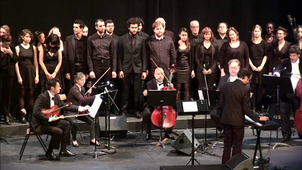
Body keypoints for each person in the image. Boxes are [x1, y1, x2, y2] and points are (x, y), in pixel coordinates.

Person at [219, 69, 269, 164]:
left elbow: (221, 103)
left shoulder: (226, 86)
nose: (248, 82)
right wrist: (258, 118)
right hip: (237, 121)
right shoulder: (245, 89)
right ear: (245, 77)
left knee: (227, 144)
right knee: (237, 144)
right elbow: (246, 109)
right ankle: (235, 165)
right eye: (249, 79)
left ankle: (224, 165)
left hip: (226, 119)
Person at [31, 78, 89, 160]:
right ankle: (49, 152)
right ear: (52, 88)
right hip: (40, 124)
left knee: (66, 124)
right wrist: (50, 119)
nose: (60, 88)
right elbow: (36, 113)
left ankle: (63, 150)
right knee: (58, 131)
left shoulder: (57, 97)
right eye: (58, 86)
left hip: (50, 122)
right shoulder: (42, 97)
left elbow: (66, 106)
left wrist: (80, 108)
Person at [118, 17, 147, 117]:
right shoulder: (122, 39)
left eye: (136, 27)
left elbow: (144, 55)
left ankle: (136, 110)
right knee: (125, 90)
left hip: (138, 68)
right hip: (126, 67)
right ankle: (123, 110)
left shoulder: (142, 39)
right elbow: (119, 56)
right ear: (128, 28)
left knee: (137, 91)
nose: (134, 29)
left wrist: (144, 70)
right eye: (132, 27)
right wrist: (120, 69)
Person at [273, 45, 301, 141]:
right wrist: (276, 73)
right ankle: (286, 135)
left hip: (298, 93)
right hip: (285, 91)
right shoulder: (285, 62)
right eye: (290, 55)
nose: (292, 58)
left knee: (298, 114)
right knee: (284, 114)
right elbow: (277, 69)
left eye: (294, 56)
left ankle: (300, 132)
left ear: (298, 55)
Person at [65, 72, 99, 147]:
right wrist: (95, 97)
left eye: (84, 80)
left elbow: (83, 101)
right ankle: (74, 140)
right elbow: (83, 100)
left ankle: (93, 139)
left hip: (78, 110)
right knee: (74, 123)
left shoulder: (82, 88)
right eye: (81, 80)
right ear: (77, 80)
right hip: (70, 111)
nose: (83, 82)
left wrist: (89, 95)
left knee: (90, 120)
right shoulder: (74, 89)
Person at [141, 67, 174, 141]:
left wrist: (172, 88)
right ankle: (148, 133)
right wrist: (146, 93)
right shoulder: (149, 83)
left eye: (162, 74)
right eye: (158, 74)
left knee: (174, 113)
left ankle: (168, 132)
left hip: (165, 106)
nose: (160, 76)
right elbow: (145, 94)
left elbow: (173, 95)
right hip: (152, 105)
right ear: (154, 75)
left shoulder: (167, 83)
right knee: (146, 113)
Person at [15, 29, 39, 123]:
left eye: (29, 37)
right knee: (22, 94)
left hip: (31, 72)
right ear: (22, 37)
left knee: (31, 95)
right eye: (26, 37)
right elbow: (16, 63)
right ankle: (22, 115)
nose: (28, 38)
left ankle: (31, 115)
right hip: (22, 72)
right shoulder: (18, 48)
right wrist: (19, 76)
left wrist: (37, 75)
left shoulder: (33, 48)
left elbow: (36, 62)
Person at [87, 19, 117, 94]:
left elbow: (113, 55)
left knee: (108, 86)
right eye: (100, 26)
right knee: (95, 87)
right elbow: (89, 55)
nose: (103, 27)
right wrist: (91, 70)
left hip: (107, 64)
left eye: (103, 25)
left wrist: (113, 70)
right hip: (96, 65)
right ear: (96, 27)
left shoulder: (110, 38)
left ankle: (107, 105)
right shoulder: (91, 38)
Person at [248, 25, 268, 111]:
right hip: (252, 66)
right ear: (252, 32)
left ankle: (259, 108)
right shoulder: (249, 43)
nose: (257, 33)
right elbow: (247, 56)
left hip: (261, 66)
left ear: (261, 32)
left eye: (258, 31)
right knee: (252, 87)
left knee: (260, 88)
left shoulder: (264, 43)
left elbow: (266, 56)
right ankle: (253, 107)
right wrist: (252, 66)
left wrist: (261, 66)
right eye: (255, 31)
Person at [64, 20, 88, 94]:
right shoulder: (69, 39)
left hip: (82, 67)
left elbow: (88, 56)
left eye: (76, 27)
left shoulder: (86, 40)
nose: (74, 29)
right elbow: (66, 56)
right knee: (72, 87)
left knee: (83, 88)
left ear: (81, 29)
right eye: (74, 27)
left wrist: (87, 71)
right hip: (72, 67)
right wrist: (67, 71)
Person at [0, 33, 17, 124]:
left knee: (7, 95)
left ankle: (6, 115)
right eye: (5, 43)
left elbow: (16, 59)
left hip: (9, 74)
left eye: (8, 43)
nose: (7, 45)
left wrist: (10, 53)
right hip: (1, 73)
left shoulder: (12, 47)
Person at [174, 27, 195, 100]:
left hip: (186, 68)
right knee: (178, 87)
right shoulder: (175, 44)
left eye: (186, 35)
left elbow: (192, 58)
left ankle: (186, 105)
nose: (184, 37)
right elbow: (173, 55)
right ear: (179, 35)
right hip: (178, 68)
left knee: (187, 87)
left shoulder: (189, 45)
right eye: (183, 35)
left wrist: (192, 70)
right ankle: (178, 105)